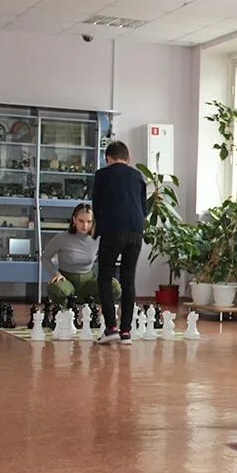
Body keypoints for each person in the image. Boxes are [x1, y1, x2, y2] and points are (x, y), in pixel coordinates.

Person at [91, 141, 146, 345]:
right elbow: (143, 208)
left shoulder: (102, 175)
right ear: (128, 159)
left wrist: (98, 231)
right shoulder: (137, 176)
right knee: (128, 279)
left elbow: (97, 205)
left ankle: (111, 328)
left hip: (113, 230)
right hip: (136, 231)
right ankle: (126, 332)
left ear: (108, 158)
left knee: (105, 276)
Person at [41, 203, 121, 306]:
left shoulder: (98, 239)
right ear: (74, 220)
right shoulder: (61, 238)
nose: (85, 225)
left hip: (89, 282)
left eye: (89, 221)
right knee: (56, 289)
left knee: (115, 288)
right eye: (81, 221)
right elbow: (45, 257)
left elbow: (107, 260)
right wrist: (55, 274)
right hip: (66, 281)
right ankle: (65, 311)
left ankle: (92, 310)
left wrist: (107, 275)